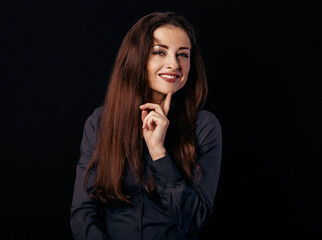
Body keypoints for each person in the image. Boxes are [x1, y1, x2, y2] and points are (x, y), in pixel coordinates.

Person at [70, 12, 222, 240]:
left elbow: (193, 220)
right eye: (159, 52)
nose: (174, 64)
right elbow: (83, 213)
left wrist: (158, 152)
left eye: (183, 54)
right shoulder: (101, 122)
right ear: (137, 58)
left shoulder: (204, 126)